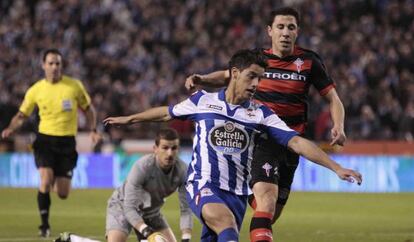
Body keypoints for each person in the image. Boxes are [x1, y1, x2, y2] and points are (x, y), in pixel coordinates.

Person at [104, 49, 362, 242]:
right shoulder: (202, 101)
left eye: (259, 79)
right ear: (235, 74)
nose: (256, 85)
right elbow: (166, 113)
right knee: (227, 229)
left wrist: (335, 167)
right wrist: (130, 119)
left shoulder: (261, 113)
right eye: (251, 77)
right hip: (203, 185)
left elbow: (295, 141)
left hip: (237, 194)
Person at [185, 7, 347, 241]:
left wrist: (339, 125)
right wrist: (203, 79)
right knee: (267, 202)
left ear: (297, 31)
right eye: (280, 27)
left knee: (271, 213)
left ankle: (239, 198)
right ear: (270, 31)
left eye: (290, 27)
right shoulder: (259, 60)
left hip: (292, 144)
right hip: (262, 139)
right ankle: (236, 205)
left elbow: (333, 98)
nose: (285, 32)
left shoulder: (309, 61)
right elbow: (228, 75)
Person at [0, 49, 100, 237]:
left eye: (58, 63)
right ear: (43, 65)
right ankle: (44, 225)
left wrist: (93, 130)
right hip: (45, 140)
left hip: (67, 143)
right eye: (51, 63)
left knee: (62, 193)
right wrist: (12, 128)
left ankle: (54, 177)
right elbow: (22, 115)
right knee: (45, 181)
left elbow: (89, 109)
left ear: (61, 66)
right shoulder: (36, 90)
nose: (54, 67)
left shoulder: (74, 86)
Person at [105, 128, 193, 242]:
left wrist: (186, 238)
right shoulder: (142, 167)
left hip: (152, 212)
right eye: (165, 148)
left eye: (174, 148)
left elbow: (186, 209)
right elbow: (129, 208)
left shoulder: (183, 171)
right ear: (155, 149)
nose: (170, 153)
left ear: (178, 149)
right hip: (122, 206)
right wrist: (147, 231)